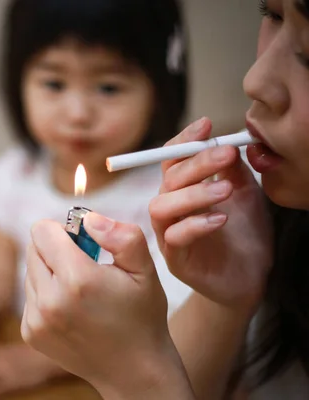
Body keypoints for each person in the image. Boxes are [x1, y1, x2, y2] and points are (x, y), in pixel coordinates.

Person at [21, 0, 309, 399]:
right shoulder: (269, 218)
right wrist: (227, 302)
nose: (254, 80)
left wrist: (134, 373)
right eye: (272, 16)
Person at [0, 0, 191, 399]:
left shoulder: (165, 196)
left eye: (108, 87)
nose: (78, 113)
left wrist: (34, 364)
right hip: (22, 331)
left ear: (161, 88)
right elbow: (1, 252)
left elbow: (163, 324)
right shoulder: (20, 172)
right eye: (54, 83)